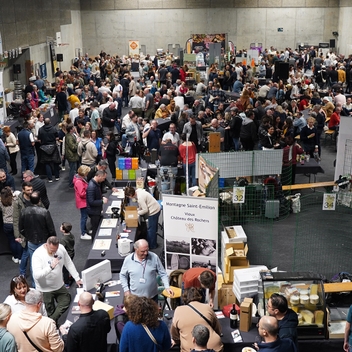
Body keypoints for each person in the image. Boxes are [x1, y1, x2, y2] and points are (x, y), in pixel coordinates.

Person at [31, 236, 82, 324]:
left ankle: (51, 321)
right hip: (45, 289)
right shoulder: (38, 254)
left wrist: (77, 278)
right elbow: (36, 275)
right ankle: (53, 327)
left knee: (66, 300)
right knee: (49, 310)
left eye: (56, 249)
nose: (54, 252)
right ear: (46, 245)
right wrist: (50, 267)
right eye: (52, 250)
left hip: (58, 285)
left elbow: (68, 263)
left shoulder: (61, 248)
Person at [171, 287, 223, 352]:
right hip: (214, 346)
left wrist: (176, 340)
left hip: (190, 348)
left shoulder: (179, 310)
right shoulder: (207, 307)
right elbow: (217, 328)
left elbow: (174, 333)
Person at [0, 187, 22, 264]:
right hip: (16, 223)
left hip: (6, 224)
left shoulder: (1, 202)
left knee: (11, 241)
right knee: (18, 240)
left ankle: (15, 257)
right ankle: (20, 258)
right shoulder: (15, 200)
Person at [86, 170, 108, 240]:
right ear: (99, 176)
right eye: (103, 178)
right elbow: (91, 201)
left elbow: (96, 195)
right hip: (93, 212)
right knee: (95, 230)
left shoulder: (95, 184)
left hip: (96, 210)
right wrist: (102, 201)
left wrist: (102, 197)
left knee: (97, 228)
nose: (104, 180)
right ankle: (94, 244)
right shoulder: (91, 186)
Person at [38, 118, 61, 182]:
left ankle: (50, 178)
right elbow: (57, 137)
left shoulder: (40, 130)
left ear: (44, 122)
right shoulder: (54, 128)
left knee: (47, 163)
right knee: (55, 163)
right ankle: (57, 176)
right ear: (50, 122)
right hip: (53, 147)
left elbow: (39, 139)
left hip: (44, 148)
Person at [73, 165, 92, 240]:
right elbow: (82, 194)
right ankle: (83, 233)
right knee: (84, 217)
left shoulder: (79, 178)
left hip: (83, 201)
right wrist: (89, 193)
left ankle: (85, 231)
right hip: (83, 202)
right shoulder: (79, 182)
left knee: (85, 216)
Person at [59, 222, 75, 288]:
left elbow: (61, 249)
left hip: (67, 255)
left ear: (63, 230)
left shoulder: (63, 240)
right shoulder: (71, 235)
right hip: (72, 253)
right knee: (69, 265)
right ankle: (71, 275)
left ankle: (66, 283)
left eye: (61, 226)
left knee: (65, 269)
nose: (60, 227)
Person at [64, 124, 80, 189]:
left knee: (73, 169)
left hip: (72, 155)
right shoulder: (69, 137)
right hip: (72, 156)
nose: (74, 128)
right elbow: (73, 147)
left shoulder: (71, 135)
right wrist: (77, 142)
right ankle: (71, 184)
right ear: (71, 129)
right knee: (72, 170)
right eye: (73, 127)